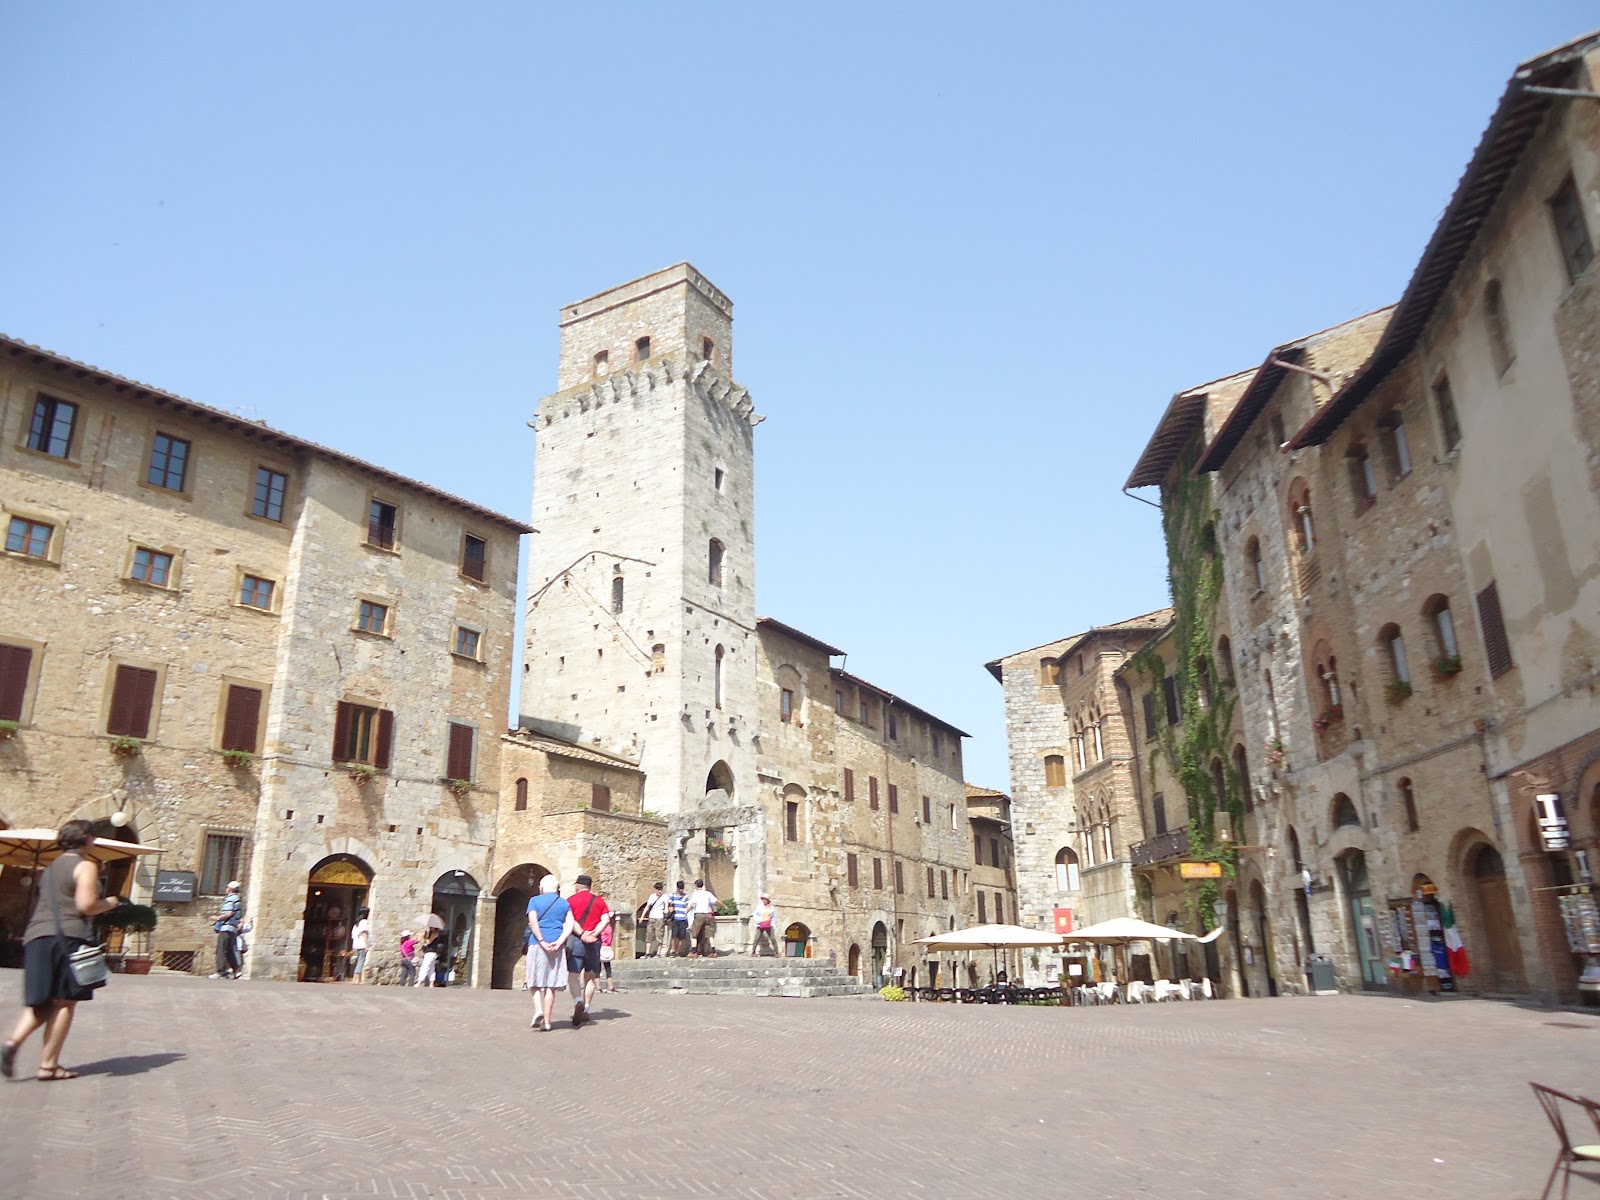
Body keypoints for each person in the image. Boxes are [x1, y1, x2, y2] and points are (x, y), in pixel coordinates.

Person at [2, 820, 123, 1081]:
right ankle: (48, 1065)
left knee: (40, 1001)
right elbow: (86, 905)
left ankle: (12, 1044)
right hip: (67, 937)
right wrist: (110, 902)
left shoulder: (50, 868)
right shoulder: (86, 866)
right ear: (88, 839)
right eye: (93, 839)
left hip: (37, 936)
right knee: (65, 1001)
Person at [524, 875, 573, 1032]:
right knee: (551, 984)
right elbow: (570, 925)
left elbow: (533, 922)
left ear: (542, 888)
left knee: (534, 980)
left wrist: (541, 940)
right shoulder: (564, 903)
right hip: (556, 945)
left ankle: (538, 1010)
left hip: (537, 944)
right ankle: (547, 1020)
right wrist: (560, 941)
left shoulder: (534, 901)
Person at [564, 874, 610, 1026]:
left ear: (577, 886)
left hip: (577, 940)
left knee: (573, 975)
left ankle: (578, 1001)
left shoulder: (571, 900)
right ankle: (586, 1009)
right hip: (594, 942)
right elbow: (605, 920)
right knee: (590, 976)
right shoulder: (600, 901)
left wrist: (582, 934)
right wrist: (594, 933)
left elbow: (571, 920)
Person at [210, 880, 243, 979]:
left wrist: (217, 918)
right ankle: (236, 970)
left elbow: (229, 913)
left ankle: (220, 972)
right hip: (233, 928)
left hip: (226, 927)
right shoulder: (238, 899)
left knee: (221, 950)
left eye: (227, 887)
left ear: (230, 889)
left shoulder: (231, 899)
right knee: (229, 950)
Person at [688, 878, 718, 958]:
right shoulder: (708, 893)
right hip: (707, 915)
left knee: (694, 934)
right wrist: (724, 906)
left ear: (696, 886)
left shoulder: (696, 894)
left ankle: (694, 952)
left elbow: (692, 904)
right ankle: (713, 951)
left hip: (699, 914)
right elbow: (716, 901)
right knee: (710, 934)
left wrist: (686, 911)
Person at [641, 882, 669, 957]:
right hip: (652, 917)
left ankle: (658, 953)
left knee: (659, 935)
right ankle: (647, 953)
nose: (659, 891)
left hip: (659, 917)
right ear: (655, 889)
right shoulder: (652, 896)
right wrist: (642, 916)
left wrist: (666, 909)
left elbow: (666, 903)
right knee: (649, 934)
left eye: (661, 889)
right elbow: (647, 906)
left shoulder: (664, 896)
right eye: (658, 889)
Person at [667, 881, 690, 956]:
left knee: (682, 937)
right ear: (677, 888)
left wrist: (687, 915)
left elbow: (687, 906)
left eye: (682, 889)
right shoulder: (672, 896)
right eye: (679, 888)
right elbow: (669, 905)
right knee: (674, 936)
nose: (681, 890)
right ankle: (673, 950)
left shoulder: (686, 897)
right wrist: (670, 909)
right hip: (675, 918)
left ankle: (678, 950)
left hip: (683, 919)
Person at [751, 893, 778, 957]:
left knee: (773, 938)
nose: (763, 900)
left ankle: (776, 952)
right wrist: (758, 921)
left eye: (765, 899)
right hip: (761, 924)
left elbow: (773, 917)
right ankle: (753, 952)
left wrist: (773, 925)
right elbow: (755, 914)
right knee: (756, 938)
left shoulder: (771, 908)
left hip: (769, 924)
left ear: (767, 900)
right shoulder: (759, 906)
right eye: (763, 899)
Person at [350, 907, 372, 984]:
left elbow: (353, 936)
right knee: (361, 962)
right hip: (362, 945)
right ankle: (354, 979)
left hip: (355, 944)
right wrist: (366, 945)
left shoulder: (356, 924)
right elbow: (364, 933)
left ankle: (358, 980)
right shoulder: (364, 922)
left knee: (357, 961)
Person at [598, 913, 617, 993]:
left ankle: (598, 987)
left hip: (600, 948)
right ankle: (610, 986)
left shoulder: (601, 927)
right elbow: (609, 940)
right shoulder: (609, 928)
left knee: (597, 968)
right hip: (607, 948)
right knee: (608, 968)